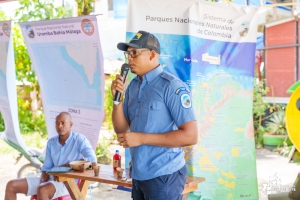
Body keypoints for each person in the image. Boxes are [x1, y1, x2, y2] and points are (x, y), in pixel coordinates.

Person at [111, 30, 198, 200]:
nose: (129, 58)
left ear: (151, 54)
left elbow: (191, 135)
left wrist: (141, 138)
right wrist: (116, 102)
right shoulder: (133, 86)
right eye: (128, 53)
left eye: (134, 53)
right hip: (138, 173)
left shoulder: (171, 86)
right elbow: (121, 128)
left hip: (164, 175)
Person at [5, 112, 97, 200]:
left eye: (63, 123)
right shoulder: (52, 142)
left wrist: (70, 165)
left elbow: (92, 161)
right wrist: (42, 182)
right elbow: (46, 168)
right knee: (11, 185)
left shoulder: (80, 140)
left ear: (71, 124)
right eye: (57, 123)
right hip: (51, 179)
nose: (60, 126)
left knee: (43, 189)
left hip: (68, 183)